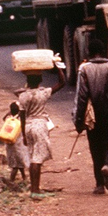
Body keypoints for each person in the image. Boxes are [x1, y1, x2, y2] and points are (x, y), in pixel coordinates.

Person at [73, 39, 108, 195]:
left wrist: (78, 121)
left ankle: (99, 185)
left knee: (95, 148)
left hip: (92, 117)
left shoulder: (84, 69)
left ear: (89, 52)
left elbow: (81, 97)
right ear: (103, 51)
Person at [17, 64, 66, 199]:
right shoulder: (43, 93)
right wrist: (58, 67)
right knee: (37, 159)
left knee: (33, 157)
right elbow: (62, 83)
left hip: (28, 126)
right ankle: (35, 191)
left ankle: (34, 189)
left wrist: (23, 133)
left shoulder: (23, 96)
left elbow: (22, 115)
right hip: (40, 125)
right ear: (40, 80)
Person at [3, 101, 30, 184]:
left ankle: (23, 176)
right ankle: (11, 180)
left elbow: (3, 118)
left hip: (10, 144)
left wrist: (10, 112)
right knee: (17, 164)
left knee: (17, 163)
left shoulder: (9, 119)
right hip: (19, 144)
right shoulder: (20, 119)